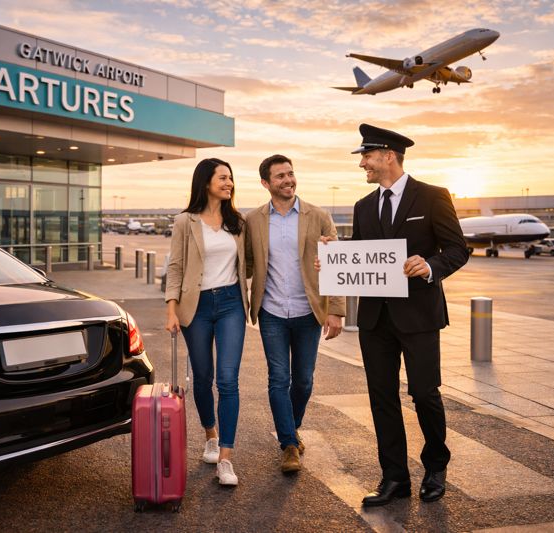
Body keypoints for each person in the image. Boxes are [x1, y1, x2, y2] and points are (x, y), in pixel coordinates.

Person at [347, 124, 469, 506]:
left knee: (424, 392)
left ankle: (435, 466)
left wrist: (430, 265)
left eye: (366, 156)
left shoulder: (432, 197)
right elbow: (360, 256)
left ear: (388, 156)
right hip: (375, 319)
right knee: (381, 396)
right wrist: (334, 257)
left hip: (418, 315)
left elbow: (457, 249)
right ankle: (394, 478)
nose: (362, 164)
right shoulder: (363, 206)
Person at [245, 154, 345, 473]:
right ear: (266, 183)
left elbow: (336, 264)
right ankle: (288, 444)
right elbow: (245, 264)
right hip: (272, 310)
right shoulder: (254, 220)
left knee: (303, 380)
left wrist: (336, 311)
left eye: (291, 174)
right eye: (280, 177)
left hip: (307, 311)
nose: (288, 180)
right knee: (279, 378)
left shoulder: (318, 216)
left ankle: (292, 426)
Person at [165, 157, 249, 486]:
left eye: (231, 178)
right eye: (222, 178)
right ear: (206, 183)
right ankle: (210, 435)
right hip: (195, 306)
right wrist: (172, 309)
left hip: (230, 304)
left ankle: (225, 458)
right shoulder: (185, 221)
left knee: (228, 380)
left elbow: (253, 262)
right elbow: (176, 267)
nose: (229, 183)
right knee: (203, 377)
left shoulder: (238, 222)